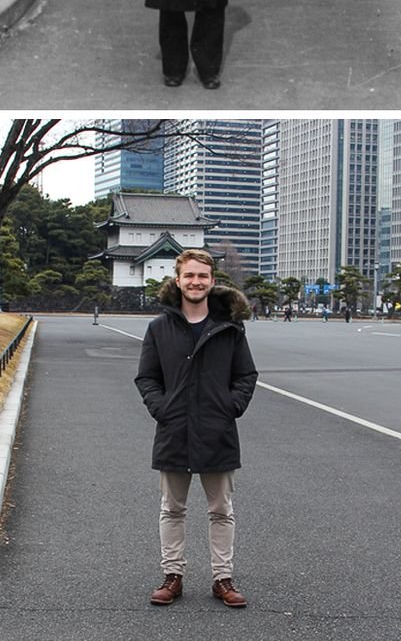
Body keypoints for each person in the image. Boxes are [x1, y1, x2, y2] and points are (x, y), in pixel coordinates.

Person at [135, 248, 258, 608]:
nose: (196, 282)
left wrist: (231, 407)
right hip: (174, 429)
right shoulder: (160, 327)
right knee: (172, 507)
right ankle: (172, 576)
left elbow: (246, 375)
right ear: (178, 280)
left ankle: (223, 578)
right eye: (189, 275)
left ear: (212, 281)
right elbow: (147, 377)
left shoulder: (230, 329)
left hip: (217, 429)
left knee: (221, 508)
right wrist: (162, 409)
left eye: (202, 276)